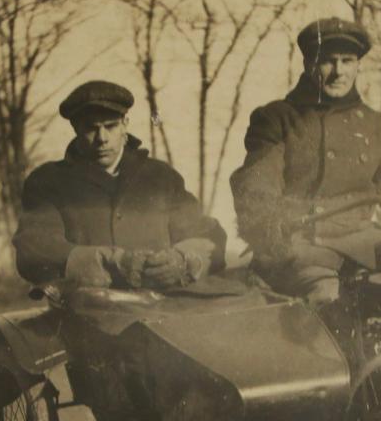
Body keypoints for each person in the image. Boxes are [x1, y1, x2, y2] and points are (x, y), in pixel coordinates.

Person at [230, 16, 381, 304]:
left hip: (365, 243)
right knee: (328, 298)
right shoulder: (278, 119)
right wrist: (272, 230)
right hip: (301, 246)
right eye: (328, 61)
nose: (338, 72)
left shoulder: (376, 125)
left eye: (347, 61)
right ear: (309, 63)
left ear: (357, 65)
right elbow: (257, 185)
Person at [13, 80, 226, 290]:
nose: (102, 138)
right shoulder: (48, 181)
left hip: (163, 307)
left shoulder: (161, 177)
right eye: (91, 128)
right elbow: (34, 251)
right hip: (85, 308)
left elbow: (209, 236)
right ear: (75, 128)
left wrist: (183, 260)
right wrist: (108, 262)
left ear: (125, 124)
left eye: (110, 126)